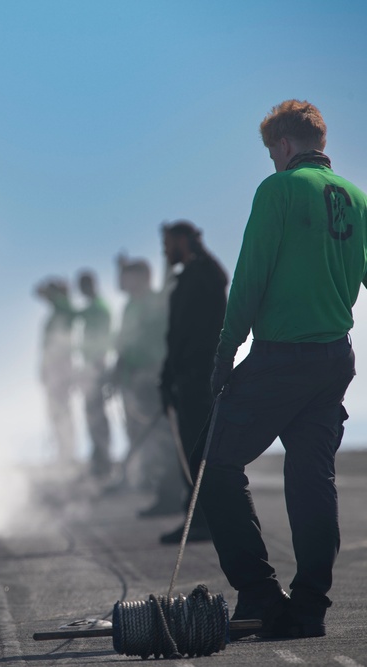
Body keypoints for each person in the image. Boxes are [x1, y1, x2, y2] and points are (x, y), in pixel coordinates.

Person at [198, 100, 367, 639]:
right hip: (334, 357)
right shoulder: (359, 198)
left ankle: (261, 593)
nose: (272, 160)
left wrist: (225, 354)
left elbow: (250, 274)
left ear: (285, 146)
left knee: (218, 462)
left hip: (282, 356)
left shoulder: (278, 190)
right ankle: (310, 607)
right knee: (311, 478)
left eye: (272, 151)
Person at [158, 220, 227, 545]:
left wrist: (181, 373)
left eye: (168, 243)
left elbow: (194, 334)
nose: (164, 250)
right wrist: (167, 376)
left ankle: (203, 520)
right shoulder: (192, 277)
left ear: (183, 241)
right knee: (191, 449)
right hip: (188, 377)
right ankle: (198, 516)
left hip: (199, 378)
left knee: (199, 451)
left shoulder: (202, 276)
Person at [112, 257, 182, 515]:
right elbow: (124, 342)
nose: (122, 282)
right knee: (139, 433)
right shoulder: (130, 304)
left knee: (161, 434)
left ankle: (170, 494)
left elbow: (158, 338)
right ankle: (143, 481)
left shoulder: (155, 301)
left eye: (128, 276)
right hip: (132, 377)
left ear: (142, 277)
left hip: (152, 375)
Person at [34, 278, 77, 465]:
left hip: (60, 369)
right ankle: (64, 452)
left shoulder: (63, 310)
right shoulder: (57, 313)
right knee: (56, 411)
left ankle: (67, 453)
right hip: (54, 369)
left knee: (62, 410)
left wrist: (57, 291)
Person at [75, 270, 112, 478]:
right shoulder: (94, 308)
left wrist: (97, 366)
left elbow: (103, 340)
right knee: (93, 415)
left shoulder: (98, 308)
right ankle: (99, 458)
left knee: (97, 416)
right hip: (91, 366)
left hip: (96, 367)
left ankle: (103, 462)